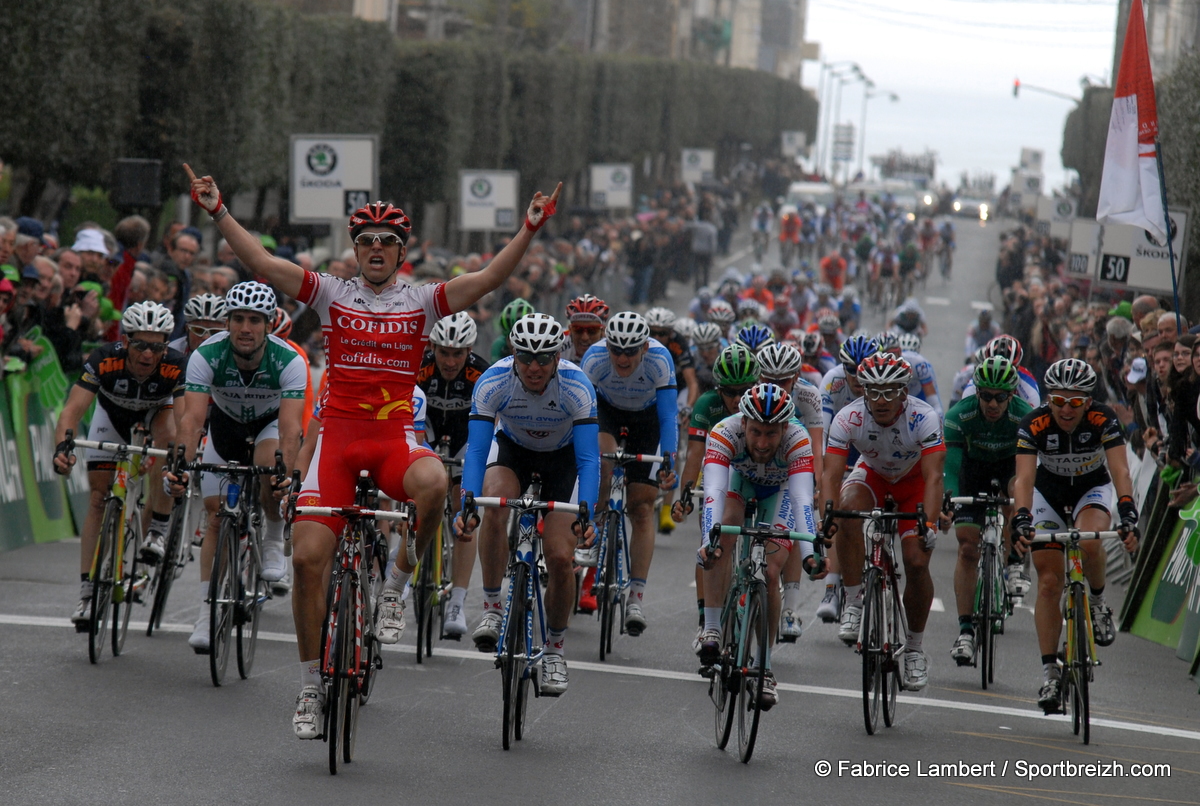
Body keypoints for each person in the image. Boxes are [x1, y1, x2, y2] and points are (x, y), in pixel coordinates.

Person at [185, 163, 561, 739]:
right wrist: (217, 211)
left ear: (402, 250)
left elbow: (485, 279)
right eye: (367, 241)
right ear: (354, 250)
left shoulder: (424, 299)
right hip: (336, 442)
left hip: (391, 440)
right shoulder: (330, 292)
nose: (377, 249)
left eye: (388, 241)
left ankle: (396, 588)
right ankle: (310, 686)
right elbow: (261, 264)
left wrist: (530, 229)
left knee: (435, 481)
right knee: (309, 562)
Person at [458, 314, 598, 695]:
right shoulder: (494, 381)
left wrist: (586, 511)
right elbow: (475, 449)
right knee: (494, 505)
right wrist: (465, 501)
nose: (534, 367)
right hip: (513, 451)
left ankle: (554, 650)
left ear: (557, 357)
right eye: (526, 357)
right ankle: (490, 606)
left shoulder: (577, 386)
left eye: (543, 358)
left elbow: (588, 459)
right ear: (514, 355)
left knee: (558, 556)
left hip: (563, 460)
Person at [169, 282, 306, 651]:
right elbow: (192, 420)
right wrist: (180, 465)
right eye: (238, 319)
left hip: (269, 426)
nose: (246, 328)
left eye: (255, 321)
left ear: (268, 324)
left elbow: (292, 429)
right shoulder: (207, 355)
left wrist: (286, 477)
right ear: (227, 322)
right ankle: (206, 610)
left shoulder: (289, 359)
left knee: (268, 467)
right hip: (225, 427)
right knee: (216, 516)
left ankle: (274, 540)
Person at [1011, 358, 1139, 713]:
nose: (1066, 409)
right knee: (1049, 582)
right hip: (1048, 494)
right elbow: (1023, 479)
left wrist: (1128, 511)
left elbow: (1119, 470)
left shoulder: (1103, 419)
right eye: (1059, 400)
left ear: (1088, 402)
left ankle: (1097, 605)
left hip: (1090, 490)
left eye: (1076, 402)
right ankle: (1051, 671)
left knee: (1089, 539)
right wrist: (1021, 517)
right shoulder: (1033, 423)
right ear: (1048, 398)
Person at [52, 302, 185, 626]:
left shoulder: (177, 365)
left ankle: (157, 528)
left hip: (159, 412)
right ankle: (86, 594)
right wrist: (61, 450)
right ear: (125, 342)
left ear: (165, 346)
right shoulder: (103, 359)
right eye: (140, 345)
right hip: (112, 414)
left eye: (156, 347)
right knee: (98, 499)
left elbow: (185, 422)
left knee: (169, 443)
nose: (148, 355)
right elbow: (71, 411)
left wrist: (180, 464)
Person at [821, 354, 948, 691]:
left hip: (914, 483)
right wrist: (827, 518)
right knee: (846, 512)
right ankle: (853, 601)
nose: (880, 401)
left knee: (917, 561)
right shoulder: (849, 418)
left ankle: (915, 649)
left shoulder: (924, 417)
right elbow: (831, 474)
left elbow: (934, 477)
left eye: (889, 392)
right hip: (873, 475)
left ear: (904, 393)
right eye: (873, 392)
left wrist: (930, 524)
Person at [696, 383, 818, 709]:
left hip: (778, 493)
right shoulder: (724, 432)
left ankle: (764, 667)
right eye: (755, 433)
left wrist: (810, 555)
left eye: (771, 434)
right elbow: (713, 495)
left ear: (785, 429)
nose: (762, 443)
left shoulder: (798, 439)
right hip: (738, 483)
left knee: (772, 571)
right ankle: (711, 629)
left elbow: (803, 499)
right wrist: (710, 539)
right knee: (721, 539)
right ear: (742, 424)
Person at [580, 312, 678, 636]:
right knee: (602, 465)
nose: (622, 358)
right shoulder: (593, 358)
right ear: (606, 346)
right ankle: (594, 532)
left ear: (645, 348)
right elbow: (582, 414)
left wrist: (668, 461)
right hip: (606, 412)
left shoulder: (660, 360)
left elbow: (668, 417)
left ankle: (636, 596)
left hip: (647, 421)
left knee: (641, 507)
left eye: (630, 351)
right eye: (615, 350)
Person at [943, 357, 1033, 666]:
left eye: (1000, 397)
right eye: (986, 396)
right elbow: (952, 469)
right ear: (976, 393)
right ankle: (965, 631)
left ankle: (1015, 563)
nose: (992, 403)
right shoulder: (960, 415)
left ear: (1012, 396)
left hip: (1010, 466)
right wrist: (950, 499)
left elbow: (1027, 474)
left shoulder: (1024, 417)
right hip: (973, 469)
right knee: (968, 547)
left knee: (1014, 495)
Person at [672, 343, 760, 646]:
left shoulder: (763, 403)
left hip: (756, 474)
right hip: (719, 469)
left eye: (744, 391)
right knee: (709, 544)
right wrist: (685, 495)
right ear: (718, 388)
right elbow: (694, 456)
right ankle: (705, 621)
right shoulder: (707, 404)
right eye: (730, 392)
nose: (737, 400)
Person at [415, 311, 489, 636]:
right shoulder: (420, 367)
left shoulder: (481, 373)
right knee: (416, 495)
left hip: (464, 440)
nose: (449, 360)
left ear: (469, 350)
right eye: (443, 351)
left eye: (457, 353)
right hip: (427, 433)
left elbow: (490, 425)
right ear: (433, 346)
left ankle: (457, 600)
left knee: (465, 512)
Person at [560, 294, 610, 363]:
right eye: (578, 329)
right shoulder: (559, 344)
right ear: (570, 330)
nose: (584, 337)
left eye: (592, 330)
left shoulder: (612, 349)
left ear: (603, 331)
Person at [491, 298, 535, 363]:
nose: (515, 344)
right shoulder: (499, 345)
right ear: (506, 338)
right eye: (510, 338)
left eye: (522, 340)